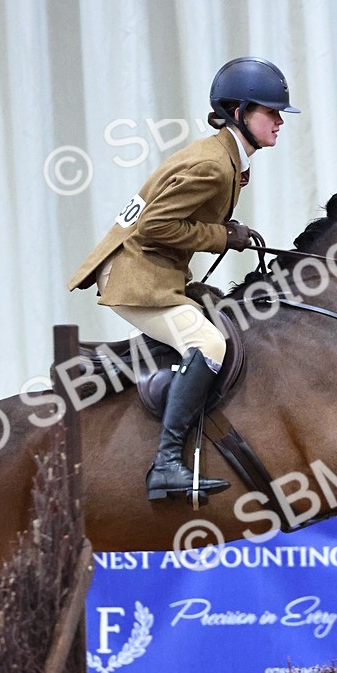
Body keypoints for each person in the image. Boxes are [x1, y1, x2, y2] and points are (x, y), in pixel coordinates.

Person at [68, 57, 299, 501]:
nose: (279, 121)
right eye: (271, 112)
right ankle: (166, 465)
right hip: (135, 277)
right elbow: (154, 226)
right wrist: (223, 236)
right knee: (209, 344)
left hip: (153, 271)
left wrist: (227, 232)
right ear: (239, 113)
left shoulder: (224, 157)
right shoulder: (215, 165)